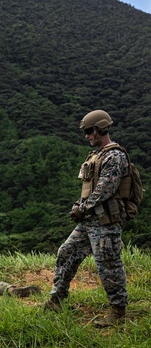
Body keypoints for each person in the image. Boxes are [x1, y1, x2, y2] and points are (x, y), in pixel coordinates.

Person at [45, 110, 135, 326]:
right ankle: (57, 299)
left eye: (89, 131)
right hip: (89, 220)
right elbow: (91, 188)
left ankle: (118, 312)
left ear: (101, 128)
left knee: (108, 263)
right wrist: (80, 205)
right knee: (66, 252)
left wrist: (82, 208)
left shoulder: (115, 156)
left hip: (106, 221)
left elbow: (106, 189)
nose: (86, 136)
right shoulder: (97, 155)